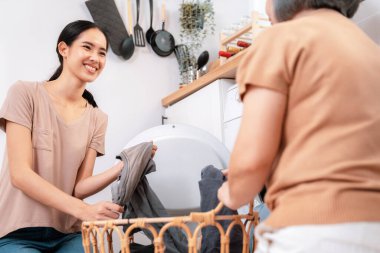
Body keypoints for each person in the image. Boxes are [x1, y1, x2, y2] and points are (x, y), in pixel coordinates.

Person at [218, 0, 380, 252]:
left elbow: (250, 164)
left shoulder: (280, 38)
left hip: (311, 232)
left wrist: (229, 192)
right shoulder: (371, 51)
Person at [0, 20, 156, 252]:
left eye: (102, 52)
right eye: (87, 47)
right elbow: (21, 175)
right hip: (17, 232)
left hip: (67, 232)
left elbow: (80, 186)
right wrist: (84, 210)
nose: (96, 57)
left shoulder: (97, 118)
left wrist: (125, 166)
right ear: (64, 49)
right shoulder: (25, 94)